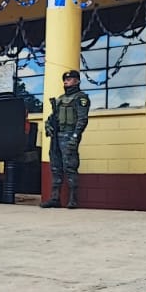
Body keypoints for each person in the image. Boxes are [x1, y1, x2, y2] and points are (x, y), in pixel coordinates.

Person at [42, 70, 90, 209]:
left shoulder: (81, 98)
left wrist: (75, 137)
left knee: (70, 167)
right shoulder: (60, 99)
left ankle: (73, 200)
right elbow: (52, 118)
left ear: (77, 81)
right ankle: (55, 198)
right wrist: (48, 126)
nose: (66, 82)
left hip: (69, 136)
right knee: (55, 167)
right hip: (56, 137)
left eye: (69, 79)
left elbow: (82, 120)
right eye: (65, 79)